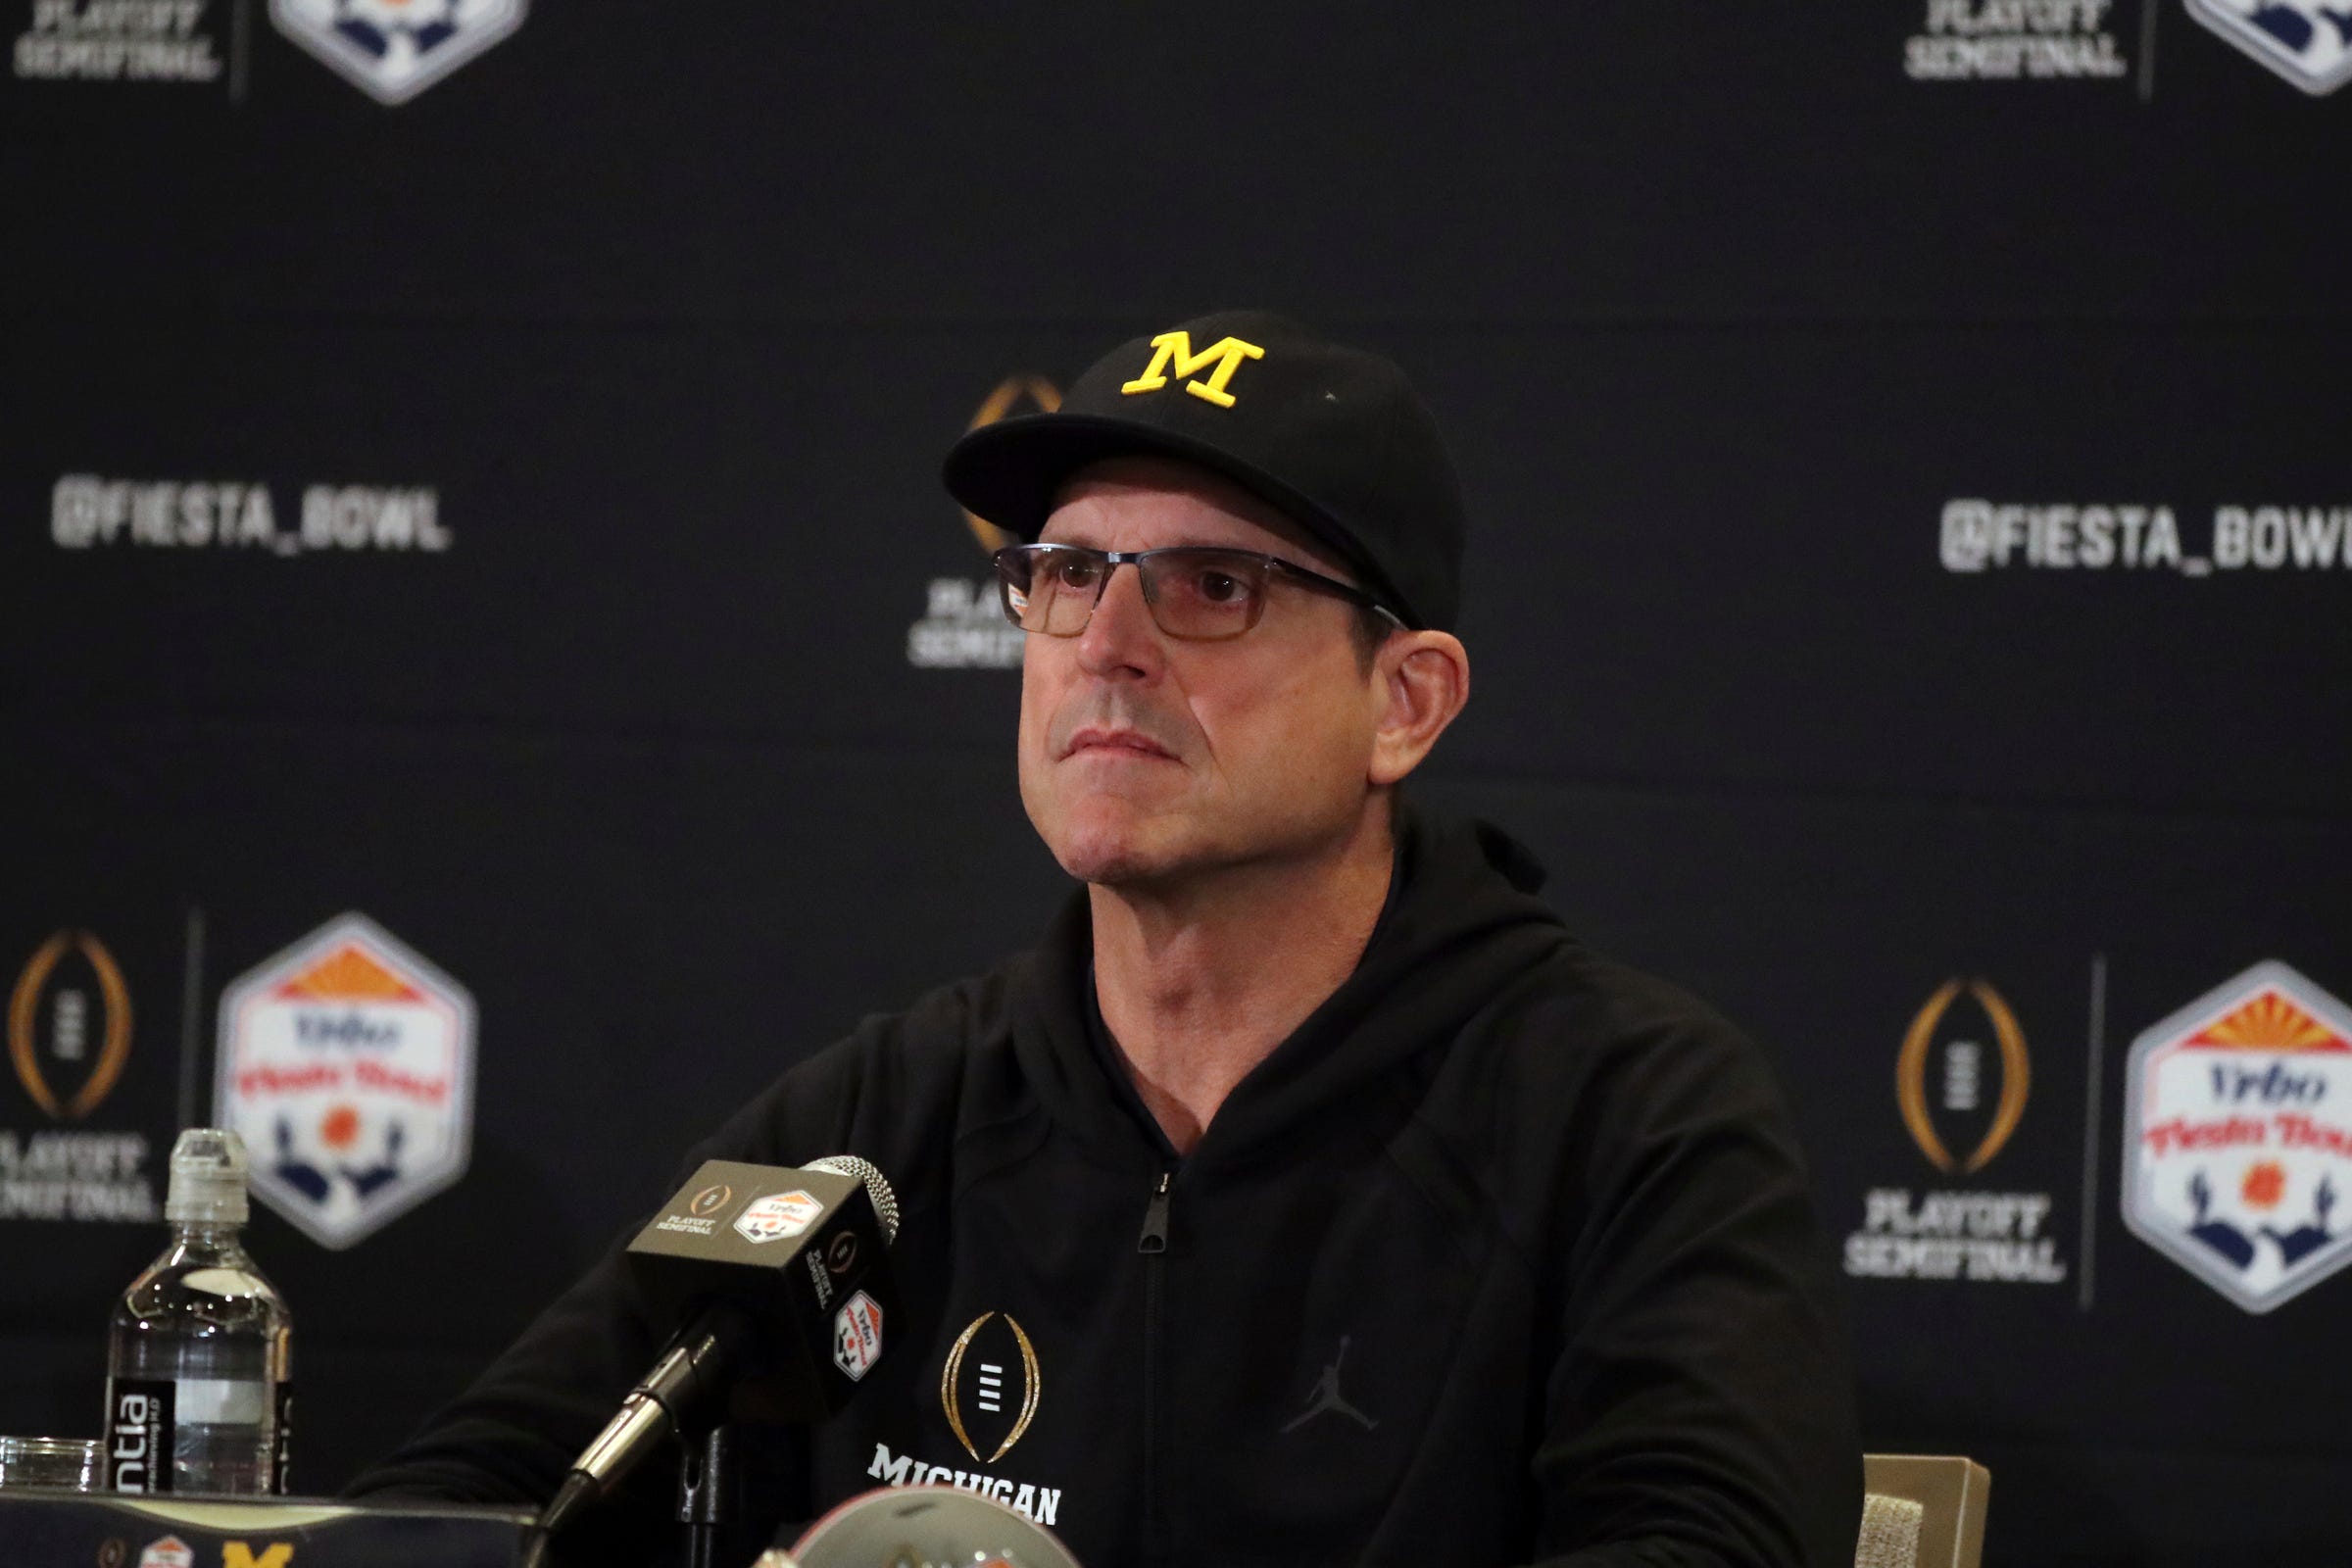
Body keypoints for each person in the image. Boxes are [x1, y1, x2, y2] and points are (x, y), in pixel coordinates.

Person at [350, 312, 1862, 1567]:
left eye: (1215, 586)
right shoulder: (888, 1119)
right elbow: (461, 1511)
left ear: (1404, 702)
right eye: (1068, 574)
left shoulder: (1626, 1113)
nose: (1107, 647)